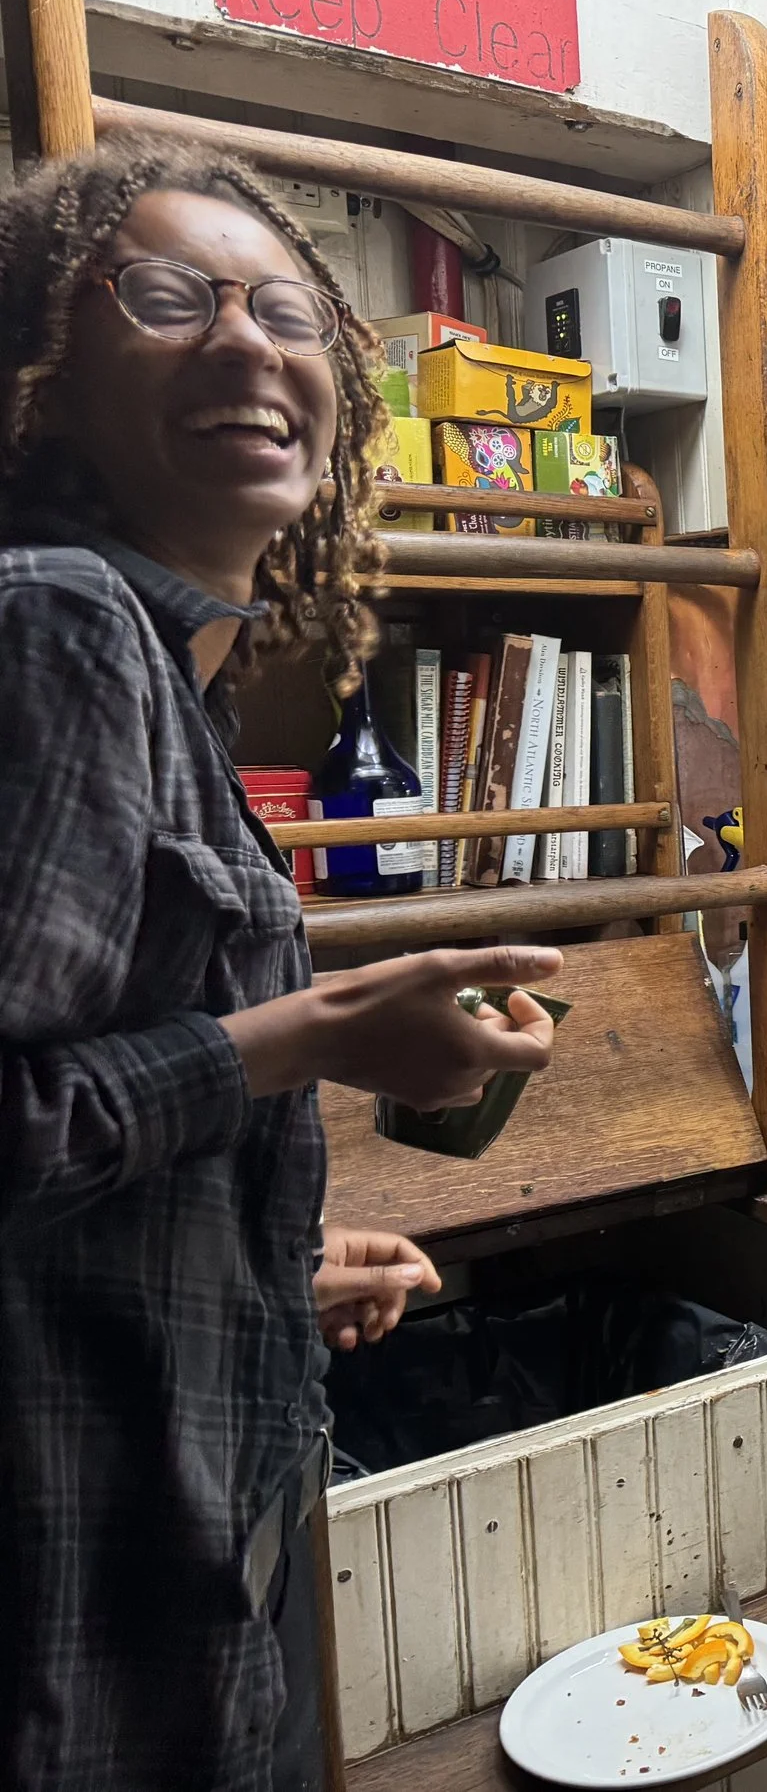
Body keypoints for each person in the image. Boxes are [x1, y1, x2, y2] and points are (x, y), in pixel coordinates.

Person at [0, 140, 566, 1791]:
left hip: (171, 1565)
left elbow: (72, 1174)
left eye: (284, 310)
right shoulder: (58, 626)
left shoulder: (169, 670)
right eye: (168, 297)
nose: (245, 339)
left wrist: (262, 1272)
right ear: (43, 367)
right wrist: (315, 1031)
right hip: (71, 1616)